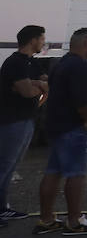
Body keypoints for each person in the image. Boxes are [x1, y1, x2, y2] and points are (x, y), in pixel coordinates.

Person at [32, 28, 87, 235]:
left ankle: (46, 219)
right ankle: (74, 221)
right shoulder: (79, 66)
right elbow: (80, 98)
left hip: (57, 126)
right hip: (75, 128)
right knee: (76, 175)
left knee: (53, 172)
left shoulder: (61, 63)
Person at [0, 25, 47, 223]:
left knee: (12, 167)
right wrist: (37, 86)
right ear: (33, 40)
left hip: (27, 120)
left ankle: (2, 208)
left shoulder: (32, 63)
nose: (44, 42)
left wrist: (36, 86)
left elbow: (44, 86)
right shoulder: (14, 63)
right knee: (4, 165)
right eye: (42, 39)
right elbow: (28, 91)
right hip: (11, 122)